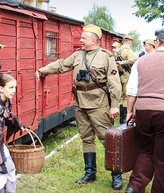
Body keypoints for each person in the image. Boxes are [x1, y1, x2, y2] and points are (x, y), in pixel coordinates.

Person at [35, 24, 122, 190]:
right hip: (81, 103)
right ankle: (90, 173)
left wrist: (114, 106)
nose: (80, 40)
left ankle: (116, 175)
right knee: (86, 138)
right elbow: (61, 65)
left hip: (99, 104)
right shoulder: (78, 55)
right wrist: (43, 70)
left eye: (83, 38)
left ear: (93, 40)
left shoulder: (106, 56)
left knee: (107, 139)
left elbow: (115, 83)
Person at [125, 27, 164, 193]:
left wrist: (130, 112)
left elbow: (132, 90)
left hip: (144, 112)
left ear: (157, 41)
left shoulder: (141, 61)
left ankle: (134, 187)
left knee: (146, 151)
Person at [116, 35, 136, 124]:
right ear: (130, 42)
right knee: (126, 96)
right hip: (127, 74)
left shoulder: (118, 50)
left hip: (120, 75)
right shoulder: (128, 51)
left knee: (122, 96)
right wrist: (123, 62)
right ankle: (124, 118)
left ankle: (122, 117)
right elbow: (133, 61)